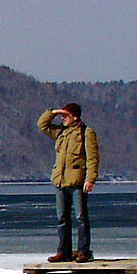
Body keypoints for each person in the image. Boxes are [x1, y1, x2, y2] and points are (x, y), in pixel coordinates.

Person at [36, 101, 99, 262]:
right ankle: (63, 251)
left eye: (66, 115)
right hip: (60, 181)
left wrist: (90, 179)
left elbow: (92, 159)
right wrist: (54, 112)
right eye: (62, 115)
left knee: (81, 217)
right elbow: (42, 125)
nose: (63, 118)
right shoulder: (60, 132)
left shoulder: (86, 133)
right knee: (62, 218)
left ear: (75, 116)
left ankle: (83, 251)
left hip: (78, 182)